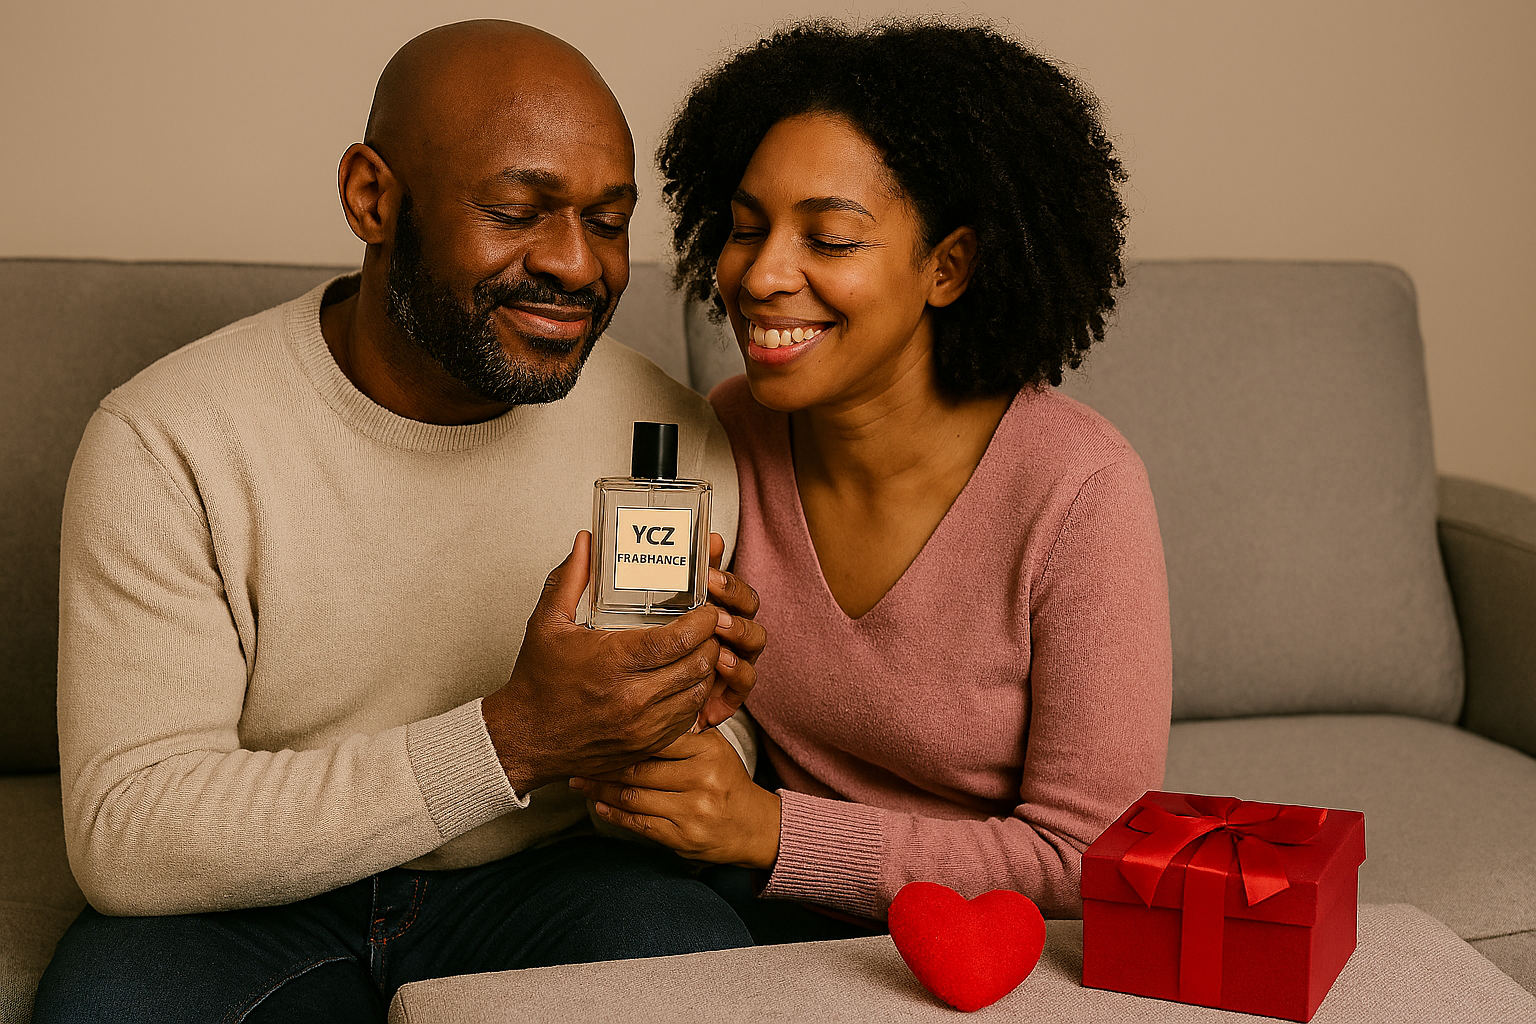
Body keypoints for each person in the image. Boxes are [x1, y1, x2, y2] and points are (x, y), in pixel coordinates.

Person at [34, 20, 767, 1023]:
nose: (575, 263)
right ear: (371, 196)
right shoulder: (171, 439)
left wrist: (692, 742)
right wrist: (512, 739)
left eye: (607, 220)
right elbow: (129, 833)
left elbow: (729, 739)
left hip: (550, 877)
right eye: (517, 209)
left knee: (705, 973)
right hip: (250, 902)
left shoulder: (665, 434)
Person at [569, 20, 1173, 943]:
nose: (763, 275)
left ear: (948, 266)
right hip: (733, 905)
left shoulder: (1079, 491)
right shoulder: (723, 436)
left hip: (974, 945)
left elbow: (1091, 859)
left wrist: (773, 831)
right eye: (745, 229)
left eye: (831, 239)